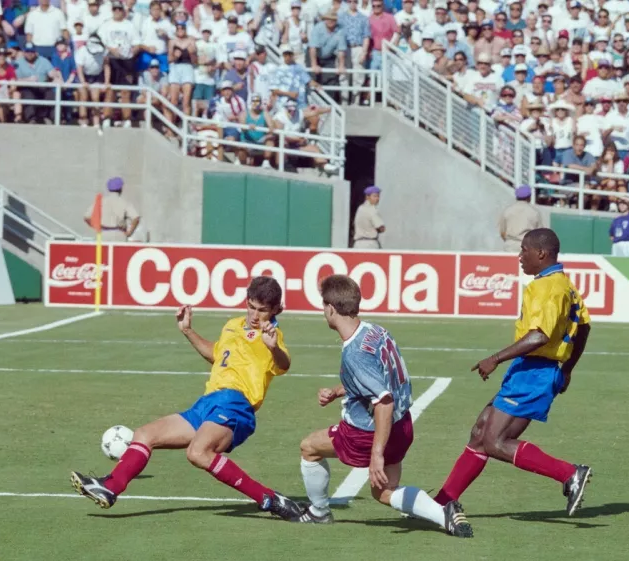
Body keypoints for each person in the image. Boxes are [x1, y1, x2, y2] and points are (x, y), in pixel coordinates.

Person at [70, 277, 305, 521]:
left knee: (198, 453)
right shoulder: (233, 325)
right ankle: (111, 487)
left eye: (263, 311)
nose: (255, 316)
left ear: (278, 310)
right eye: (251, 307)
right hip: (207, 403)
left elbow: (283, 364)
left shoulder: (272, 335)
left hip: (236, 405)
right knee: (144, 434)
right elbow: (216, 355)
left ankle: (268, 498)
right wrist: (188, 331)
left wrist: (273, 346)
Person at [294, 274, 474, 537]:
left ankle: (318, 513)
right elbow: (380, 380)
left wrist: (376, 454)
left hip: (366, 434)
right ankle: (443, 513)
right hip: (402, 427)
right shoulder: (375, 331)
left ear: (331, 308)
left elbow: (383, 401)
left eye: (324, 306)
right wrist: (337, 391)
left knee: (309, 447)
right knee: (383, 492)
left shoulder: (354, 352)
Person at [432, 228, 593, 517]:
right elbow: (583, 327)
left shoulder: (547, 287)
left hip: (535, 372)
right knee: (481, 431)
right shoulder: (564, 284)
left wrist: (495, 358)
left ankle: (569, 473)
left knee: (495, 441)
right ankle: (442, 501)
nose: (520, 257)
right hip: (532, 369)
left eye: (524, 250)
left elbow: (539, 336)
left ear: (541, 254)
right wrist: (567, 369)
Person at [82, 177, 141, 242]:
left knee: (102, 252)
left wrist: (96, 227)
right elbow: (136, 218)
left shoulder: (101, 201)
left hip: (103, 233)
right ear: (120, 189)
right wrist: (129, 233)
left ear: (108, 189)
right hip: (119, 233)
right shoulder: (124, 202)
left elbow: (87, 217)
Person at [498, 184, 543, 253]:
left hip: (510, 246)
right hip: (528, 246)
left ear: (516, 197)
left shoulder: (507, 211)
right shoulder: (534, 212)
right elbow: (539, 233)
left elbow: (502, 232)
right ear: (529, 197)